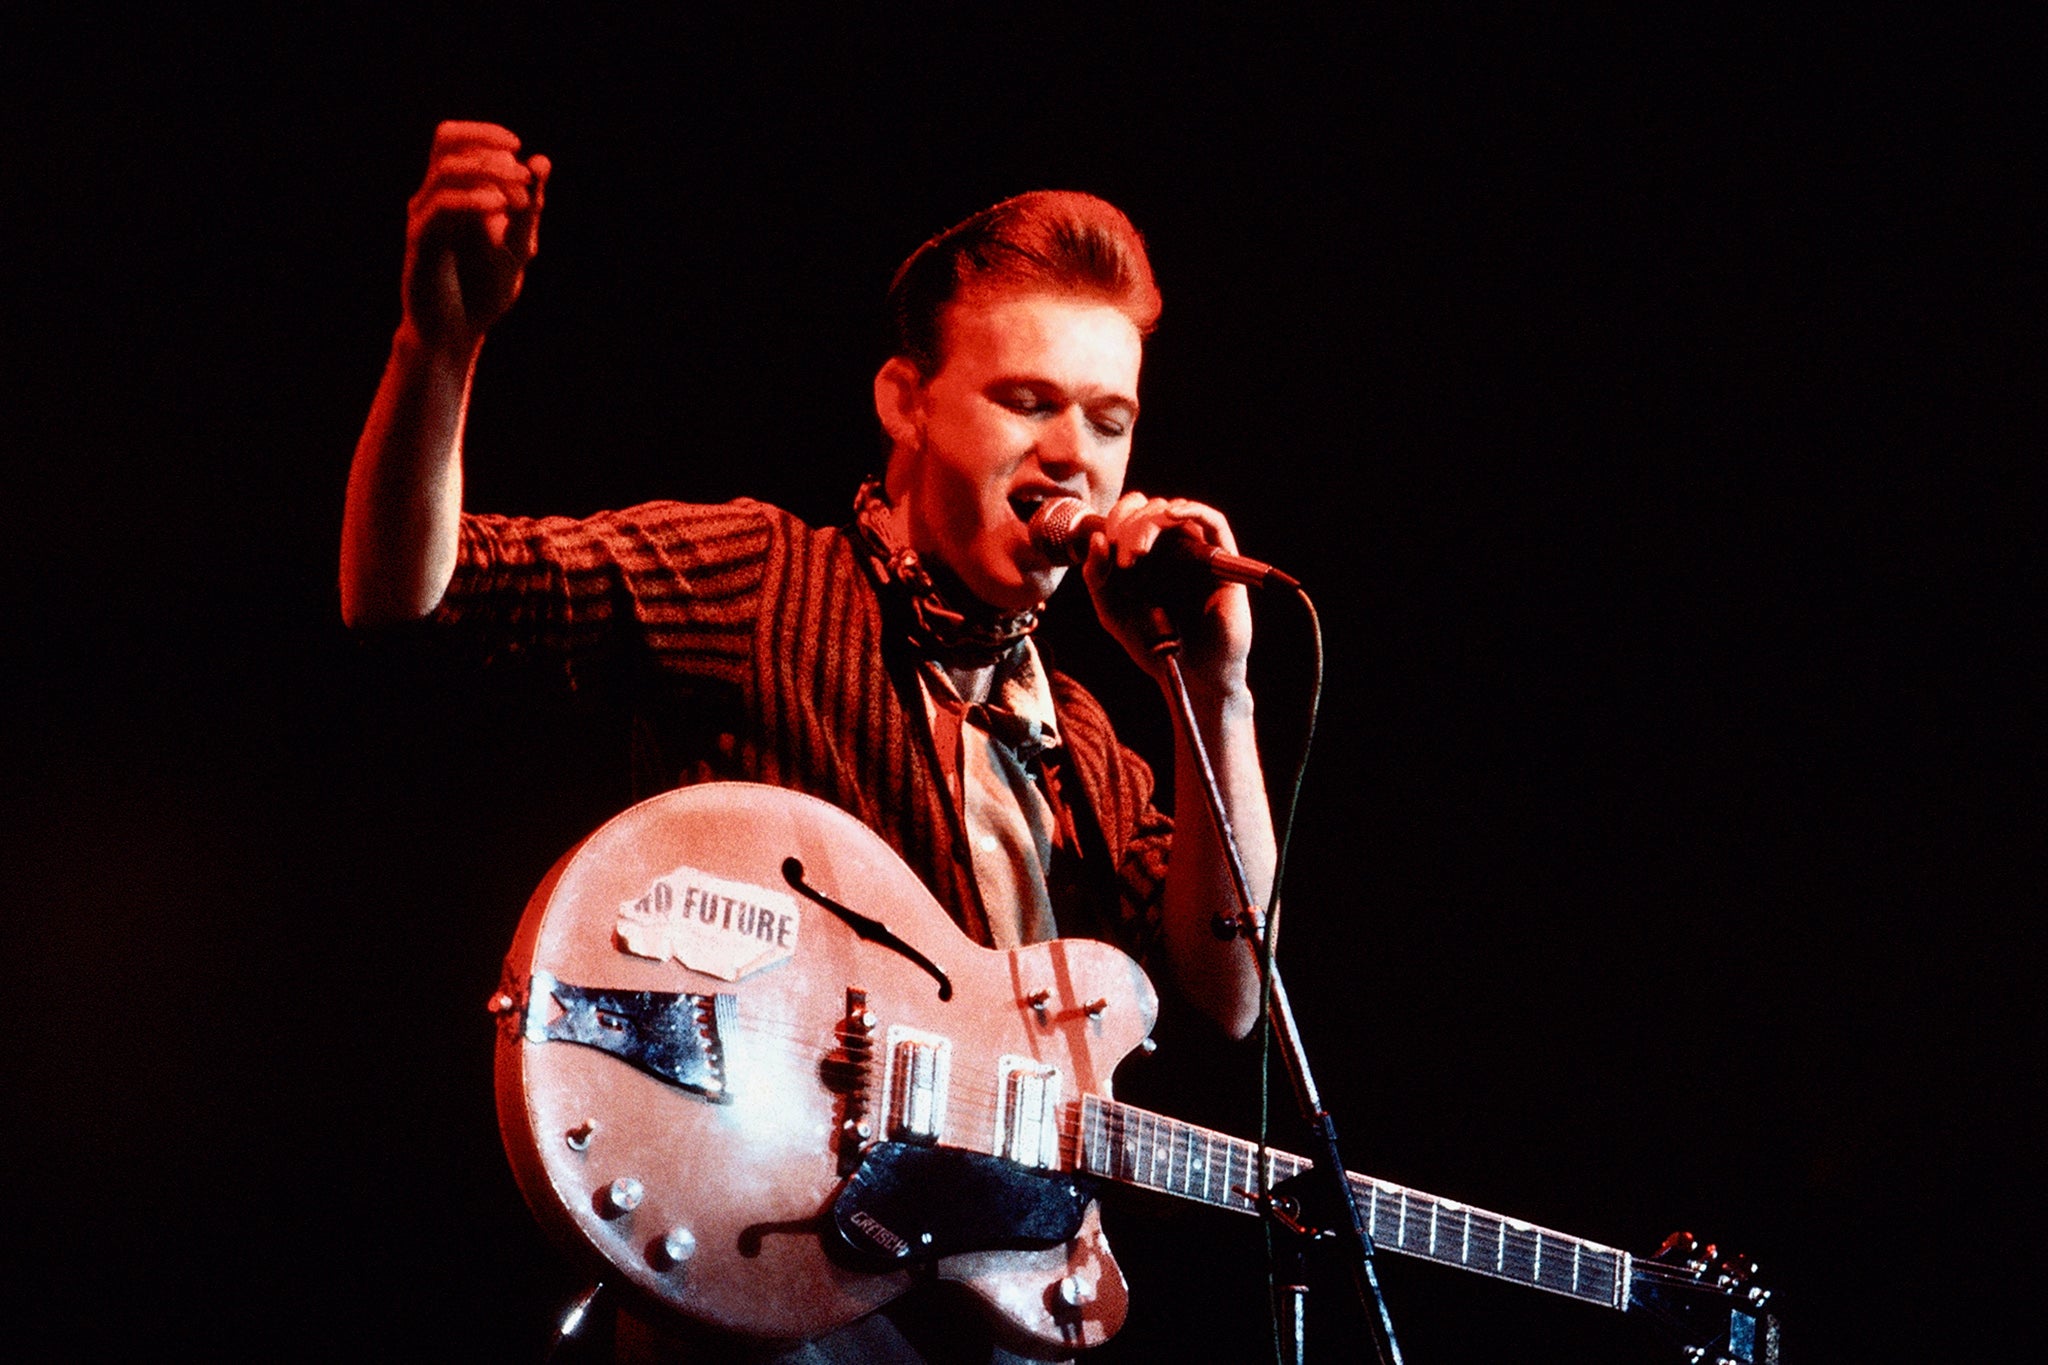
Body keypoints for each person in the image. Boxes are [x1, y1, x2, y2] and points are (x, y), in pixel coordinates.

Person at [341, 121, 1279, 1363]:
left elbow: (1228, 994)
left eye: (1109, 421)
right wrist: (440, 343)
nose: (1075, 456)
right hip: (759, 1280)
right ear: (907, 401)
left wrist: (1217, 694)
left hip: (978, 1301)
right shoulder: (761, 581)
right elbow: (417, 590)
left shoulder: (1085, 737)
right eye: (1028, 401)